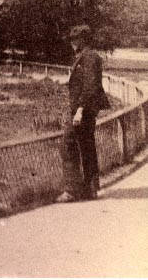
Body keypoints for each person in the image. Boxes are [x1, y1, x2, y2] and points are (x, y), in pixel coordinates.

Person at [56, 25, 111, 203]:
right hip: (87, 109)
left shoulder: (88, 57)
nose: (72, 43)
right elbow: (85, 83)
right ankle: (91, 188)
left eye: (74, 40)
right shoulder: (87, 56)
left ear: (82, 40)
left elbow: (90, 86)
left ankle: (72, 190)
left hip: (83, 110)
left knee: (68, 144)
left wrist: (79, 110)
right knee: (87, 146)